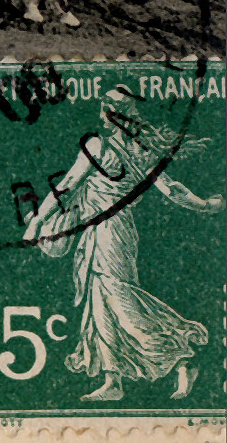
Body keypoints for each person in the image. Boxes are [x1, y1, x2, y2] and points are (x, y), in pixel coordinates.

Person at [23, 87, 220, 401]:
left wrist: (36, 220)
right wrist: (207, 205)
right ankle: (113, 381)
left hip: (109, 232)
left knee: (118, 299)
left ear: (107, 112)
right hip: (114, 231)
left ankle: (183, 355)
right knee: (100, 302)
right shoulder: (145, 150)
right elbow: (174, 191)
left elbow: (68, 184)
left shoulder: (97, 145)